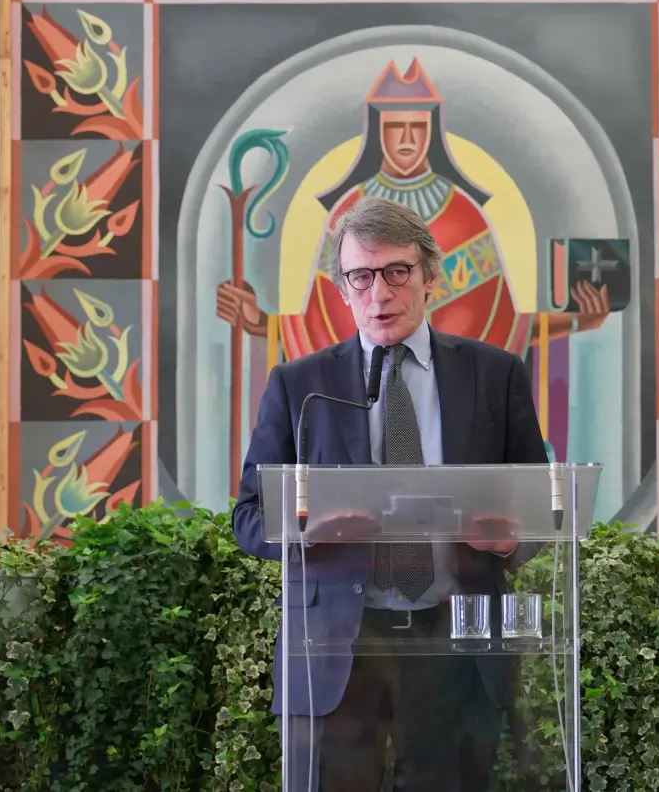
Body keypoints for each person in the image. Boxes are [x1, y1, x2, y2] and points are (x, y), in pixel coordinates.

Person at [231, 195, 550, 792]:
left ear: (430, 276)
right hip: (339, 650)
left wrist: (511, 540)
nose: (379, 293)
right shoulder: (300, 384)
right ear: (343, 290)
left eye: (397, 272)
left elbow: (540, 505)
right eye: (361, 276)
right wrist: (306, 532)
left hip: (454, 641)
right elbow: (249, 515)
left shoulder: (495, 374)